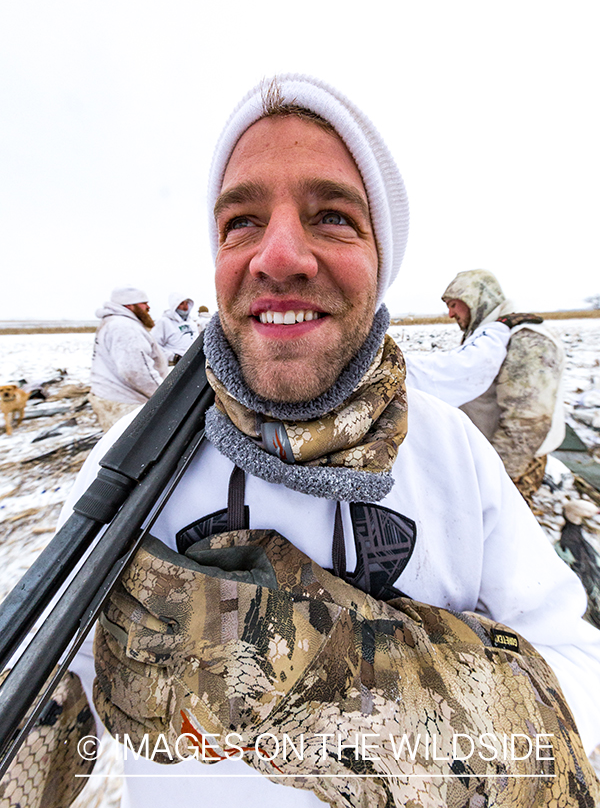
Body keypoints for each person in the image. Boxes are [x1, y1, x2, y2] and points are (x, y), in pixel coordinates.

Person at [56, 76, 599, 805]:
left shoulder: (449, 455)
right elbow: (56, 680)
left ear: (384, 259)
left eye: (333, 216)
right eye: (241, 222)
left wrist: (340, 687)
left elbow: (578, 672)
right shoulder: (132, 464)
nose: (278, 255)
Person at [441, 269, 565, 504]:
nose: (450, 314)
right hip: (485, 457)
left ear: (474, 299)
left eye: (454, 304)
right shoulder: (488, 335)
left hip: (511, 463)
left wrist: (497, 479)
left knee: (502, 531)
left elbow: (528, 421)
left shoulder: (527, 339)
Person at [89, 285, 168, 431]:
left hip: (111, 397)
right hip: (124, 402)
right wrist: (165, 396)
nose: (148, 307)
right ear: (129, 305)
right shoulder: (125, 327)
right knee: (137, 446)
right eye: (143, 303)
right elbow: (135, 370)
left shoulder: (115, 323)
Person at [153, 292, 199, 364]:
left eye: (186, 303)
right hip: (174, 364)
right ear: (174, 305)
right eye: (181, 304)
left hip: (193, 361)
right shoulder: (164, 322)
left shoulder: (192, 323)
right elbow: (155, 346)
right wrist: (173, 357)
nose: (185, 307)